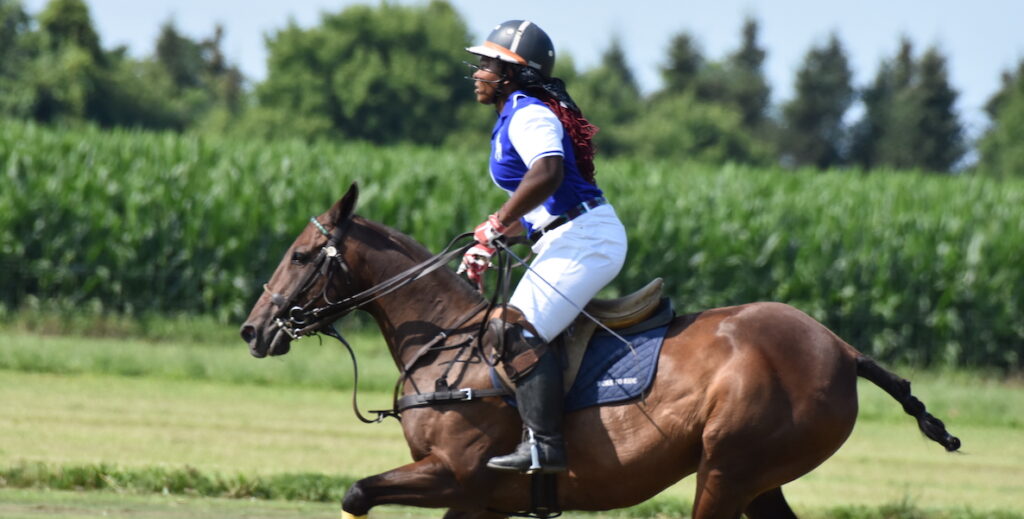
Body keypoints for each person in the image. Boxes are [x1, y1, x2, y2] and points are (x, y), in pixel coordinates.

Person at [461, 20, 628, 474]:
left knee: (515, 332)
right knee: (509, 330)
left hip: (586, 239)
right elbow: (542, 209)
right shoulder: (513, 115)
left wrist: (498, 219)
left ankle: (545, 447)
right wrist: (492, 240)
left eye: (489, 64)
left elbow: (548, 172)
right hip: (568, 234)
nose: (478, 71)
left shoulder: (528, 111)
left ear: (513, 74)